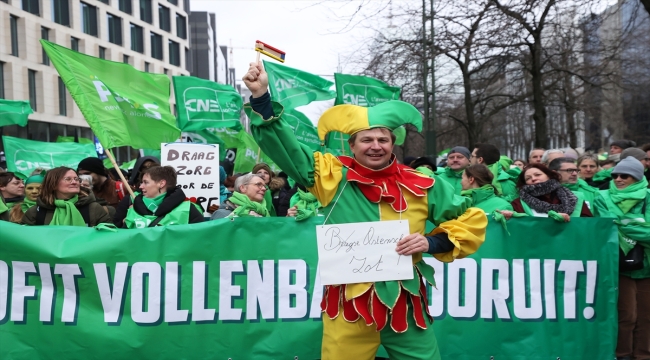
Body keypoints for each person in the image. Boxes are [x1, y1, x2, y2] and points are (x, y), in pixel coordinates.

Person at [242, 61, 486, 360]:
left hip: (406, 304)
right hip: (348, 306)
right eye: (367, 140)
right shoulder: (332, 176)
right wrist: (262, 99)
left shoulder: (424, 183)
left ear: (393, 144)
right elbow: (288, 149)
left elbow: (469, 217)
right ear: (352, 145)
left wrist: (432, 242)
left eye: (383, 139)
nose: (375, 146)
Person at [592, 157, 649, 360]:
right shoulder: (601, 196)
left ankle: (643, 355)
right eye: (615, 175)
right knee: (626, 315)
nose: (618, 179)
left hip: (647, 266)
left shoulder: (648, 197)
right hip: (617, 265)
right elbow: (606, 226)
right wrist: (638, 223)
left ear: (637, 177)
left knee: (646, 317)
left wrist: (621, 224)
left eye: (624, 175)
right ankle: (622, 354)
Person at [22, 167, 112, 226]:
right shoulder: (36, 212)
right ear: (53, 184)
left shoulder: (93, 208)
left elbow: (108, 236)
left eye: (76, 179)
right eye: (68, 179)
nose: (74, 182)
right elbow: (27, 240)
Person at [123, 166, 204, 228]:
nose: (141, 186)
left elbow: (199, 239)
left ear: (161, 184)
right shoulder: (133, 210)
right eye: (141, 182)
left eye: (146, 182)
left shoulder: (187, 210)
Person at [506, 163, 592, 220]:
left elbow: (587, 224)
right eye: (528, 178)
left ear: (549, 176)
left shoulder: (576, 198)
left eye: (537, 175)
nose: (534, 179)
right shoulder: (519, 204)